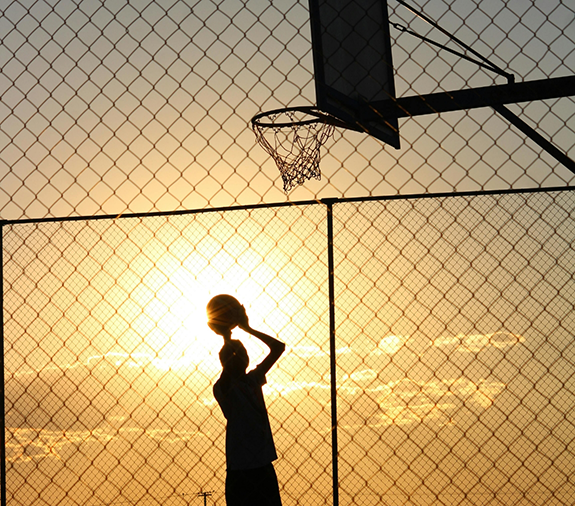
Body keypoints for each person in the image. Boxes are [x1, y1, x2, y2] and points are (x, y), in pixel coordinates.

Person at [207, 295, 285, 506]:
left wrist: (247, 328)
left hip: (262, 465)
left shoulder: (253, 380)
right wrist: (226, 336)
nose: (240, 356)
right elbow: (229, 369)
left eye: (242, 353)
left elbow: (278, 347)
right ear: (225, 361)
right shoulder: (223, 388)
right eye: (236, 354)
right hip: (240, 470)